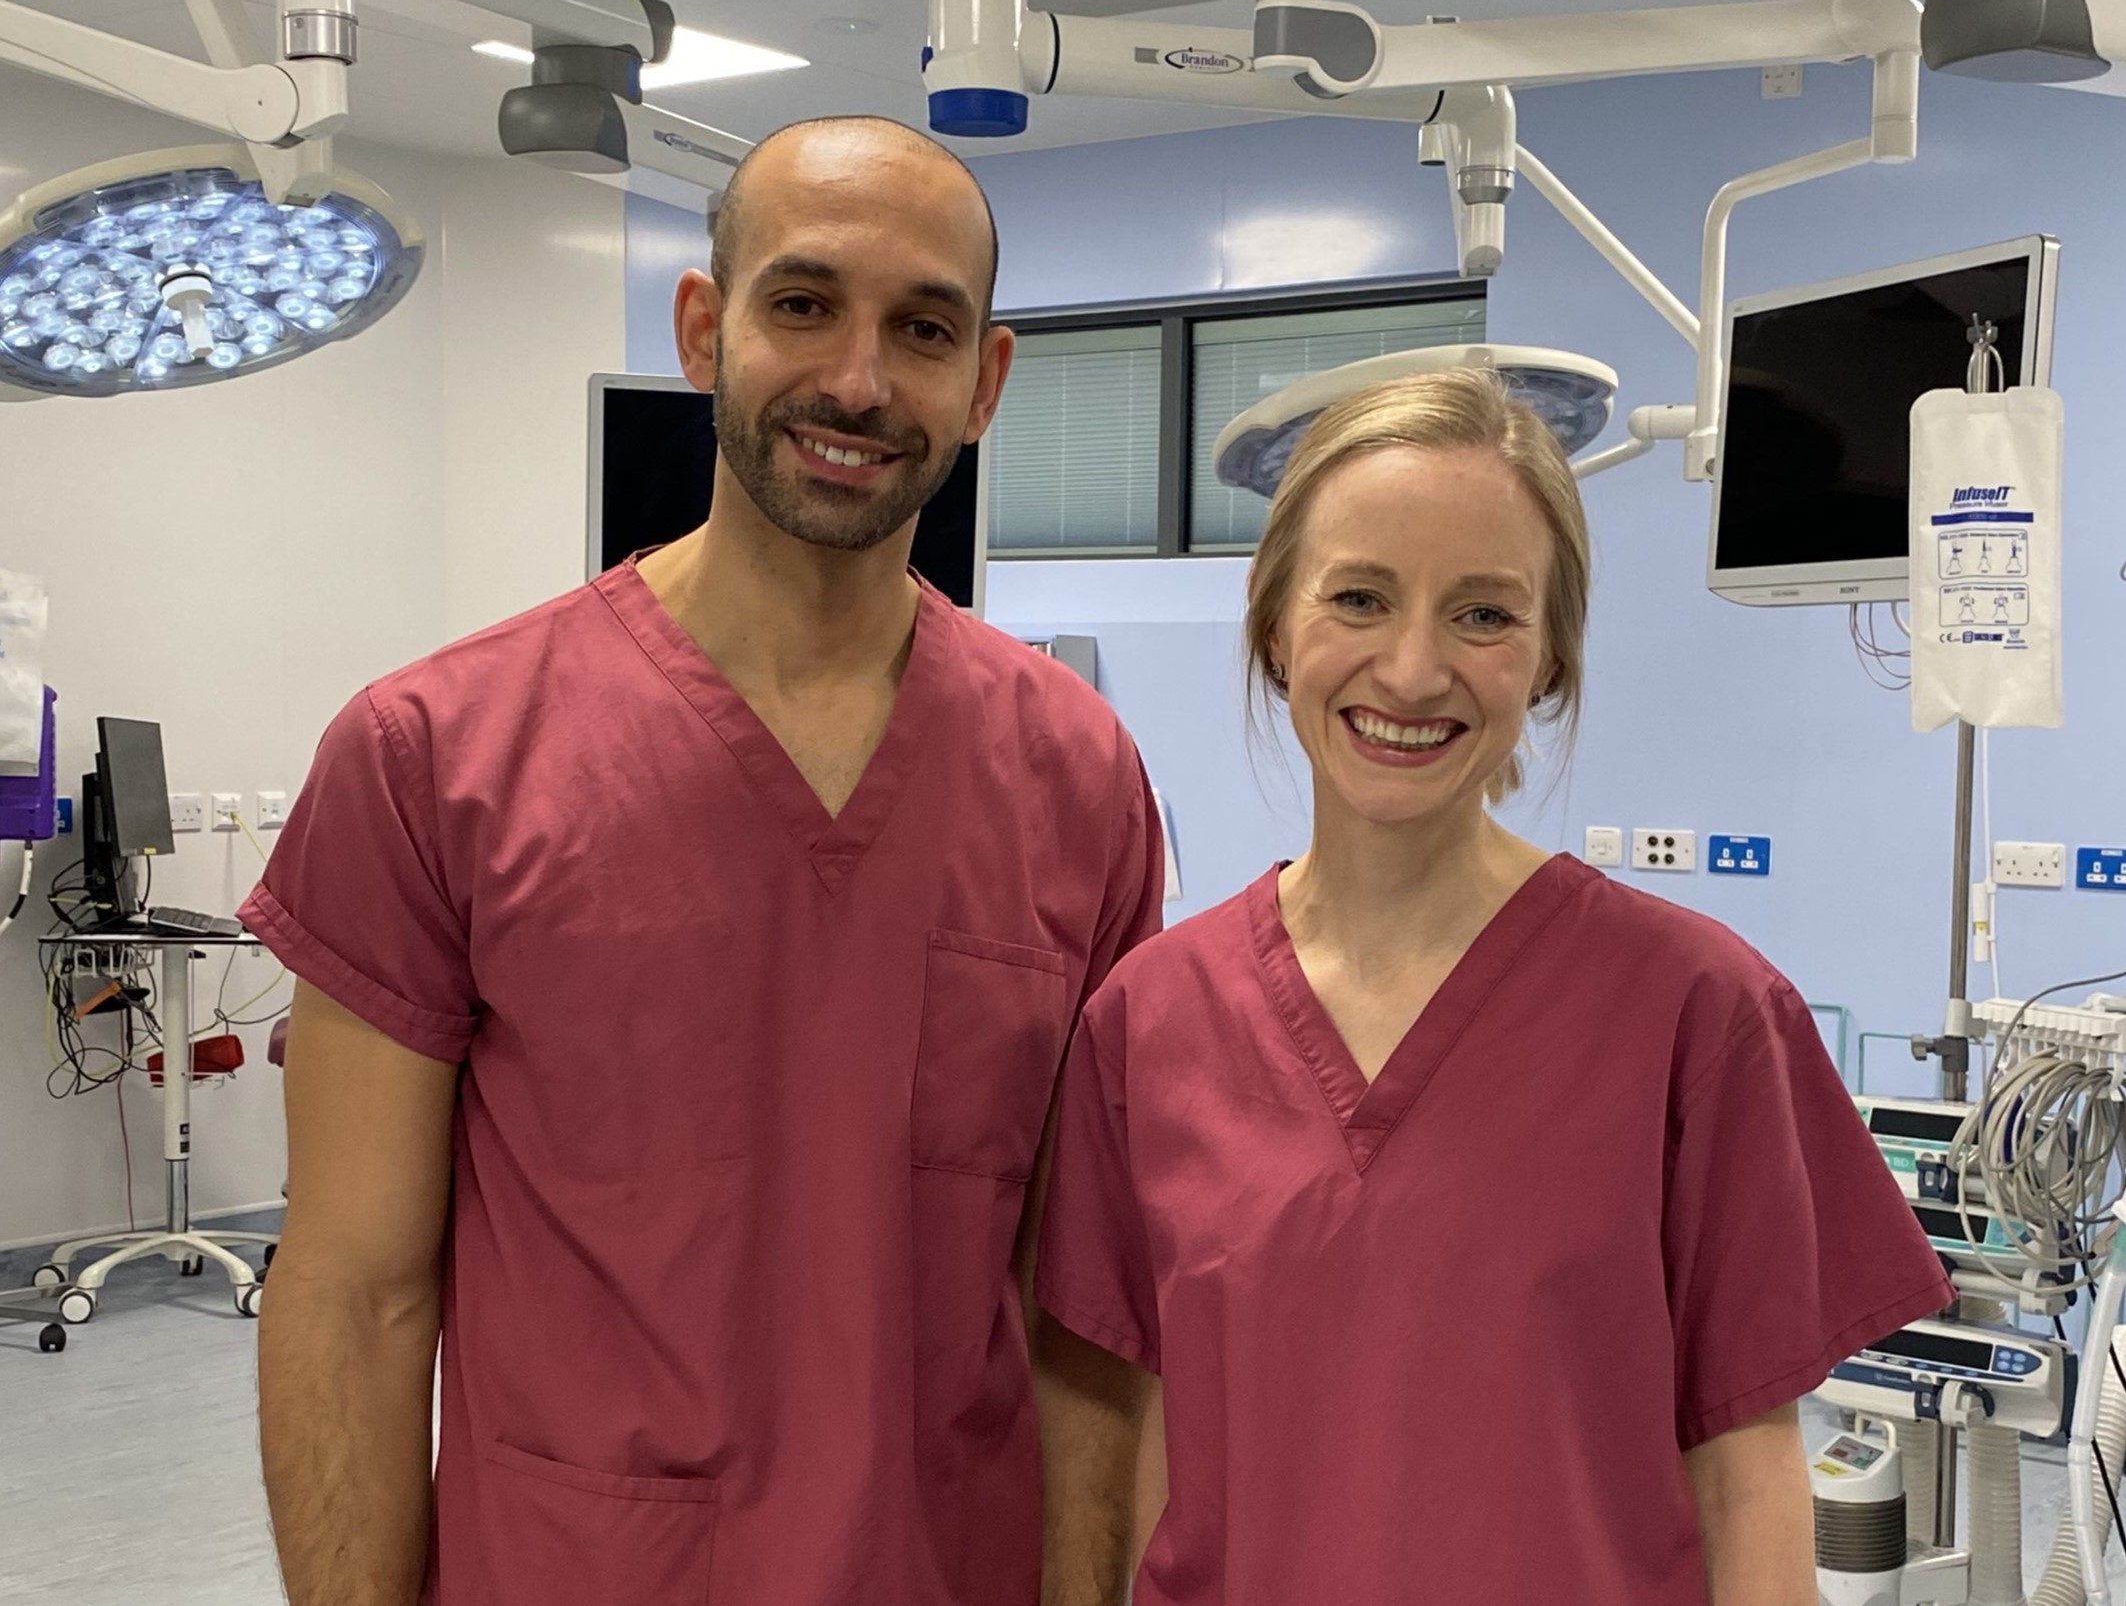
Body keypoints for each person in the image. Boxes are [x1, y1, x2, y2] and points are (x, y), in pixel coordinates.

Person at [243, 115, 1164, 1606]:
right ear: (702, 329)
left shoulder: (1077, 780)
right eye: (801, 304)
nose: (858, 381)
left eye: (921, 328)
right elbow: (354, 1293)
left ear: (984, 383)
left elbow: (1083, 1315)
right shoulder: (435, 757)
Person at [1034, 369, 1955, 1605]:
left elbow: (1744, 1473)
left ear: (1550, 660)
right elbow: (1129, 1443)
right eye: (1358, 598)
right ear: (1272, 629)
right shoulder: (1148, 1029)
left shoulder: (1697, 1013)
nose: (1412, 671)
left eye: (1482, 615)